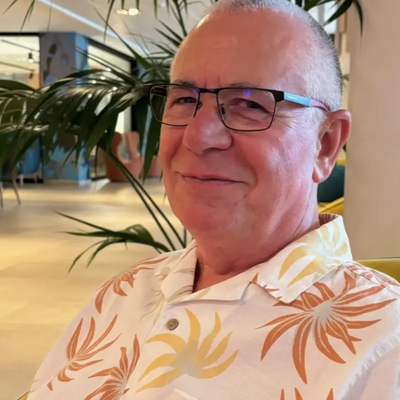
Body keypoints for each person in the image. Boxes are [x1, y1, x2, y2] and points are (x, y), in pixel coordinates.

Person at [27, 0, 400, 399]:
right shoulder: (124, 292)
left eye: (250, 104)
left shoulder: (383, 344)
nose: (197, 136)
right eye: (185, 100)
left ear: (325, 144)